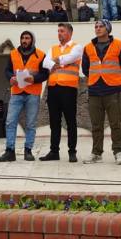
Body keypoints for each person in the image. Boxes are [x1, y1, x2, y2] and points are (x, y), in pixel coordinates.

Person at [82, 19, 121, 165]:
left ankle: (118, 151)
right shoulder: (88, 47)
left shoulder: (119, 45)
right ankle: (96, 153)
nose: (97, 28)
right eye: (96, 26)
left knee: (115, 123)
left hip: (112, 90)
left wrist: (115, 79)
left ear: (108, 29)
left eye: (101, 26)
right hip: (95, 91)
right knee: (96, 125)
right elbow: (85, 69)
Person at [0, 31, 49, 162]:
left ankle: (28, 151)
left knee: (31, 124)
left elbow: (45, 74)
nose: (24, 40)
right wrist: (10, 77)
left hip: (33, 93)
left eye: (27, 38)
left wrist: (34, 79)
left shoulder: (41, 55)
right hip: (17, 92)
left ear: (32, 40)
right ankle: (10, 151)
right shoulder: (13, 54)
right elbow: (7, 70)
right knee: (10, 122)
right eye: (22, 38)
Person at [40, 23, 82, 163]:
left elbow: (70, 58)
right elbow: (44, 63)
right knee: (54, 122)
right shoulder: (52, 48)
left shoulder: (77, 47)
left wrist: (56, 61)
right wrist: (54, 63)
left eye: (62, 31)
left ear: (69, 33)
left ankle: (72, 152)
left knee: (70, 121)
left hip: (68, 88)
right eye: (58, 31)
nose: (59, 33)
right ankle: (54, 151)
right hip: (53, 88)